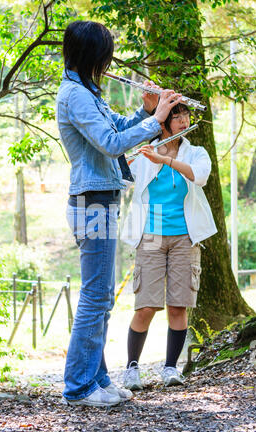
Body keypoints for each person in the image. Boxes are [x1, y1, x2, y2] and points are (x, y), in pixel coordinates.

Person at [56, 20, 183, 407]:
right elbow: (112, 145)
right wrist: (158, 118)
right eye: (103, 55)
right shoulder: (75, 96)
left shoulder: (87, 92)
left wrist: (145, 112)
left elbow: (120, 128)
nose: (106, 62)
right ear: (90, 55)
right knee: (95, 297)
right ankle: (78, 388)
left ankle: (97, 380)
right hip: (91, 203)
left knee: (103, 298)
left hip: (101, 200)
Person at [121, 103, 217, 390]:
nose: (183, 120)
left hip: (185, 236)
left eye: (186, 116)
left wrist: (167, 161)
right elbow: (121, 178)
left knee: (179, 305)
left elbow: (198, 176)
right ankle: (131, 369)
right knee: (147, 305)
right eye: (176, 116)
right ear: (162, 122)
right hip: (150, 235)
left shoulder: (196, 153)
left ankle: (170, 368)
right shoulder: (146, 152)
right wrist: (126, 161)